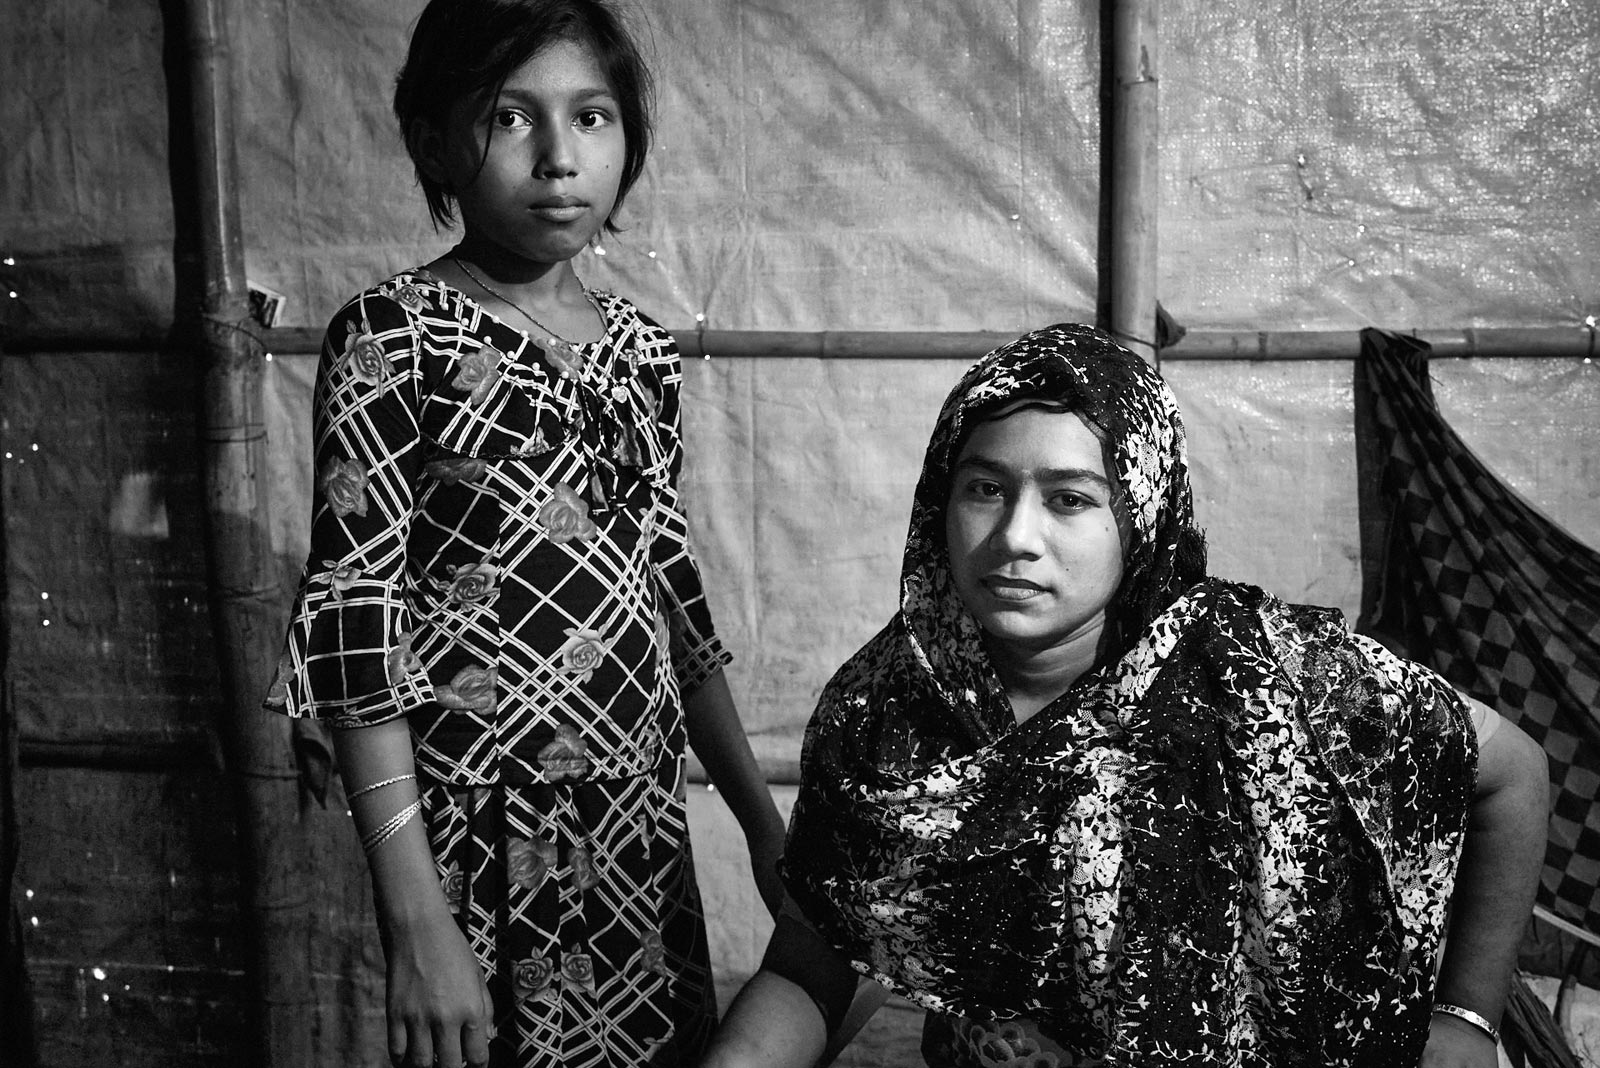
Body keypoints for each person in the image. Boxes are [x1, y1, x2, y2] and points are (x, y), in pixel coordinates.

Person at [700, 324, 1550, 1068]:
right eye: (985, 489)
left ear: (1142, 515)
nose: (1015, 538)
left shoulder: (1269, 676)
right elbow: (812, 967)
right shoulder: (888, 709)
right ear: (940, 500)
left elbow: (1514, 774)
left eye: (1070, 500)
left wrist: (1467, 1016)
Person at [261, 3, 786, 1066]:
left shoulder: (640, 350)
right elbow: (355, 616)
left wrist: (762, 830)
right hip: (474, 844)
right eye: (511, 118)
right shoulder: (390, 335)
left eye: (591, 118)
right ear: (433, 141)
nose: (559, 159)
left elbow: (673, 603)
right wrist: (414, 918)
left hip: (638, 837)